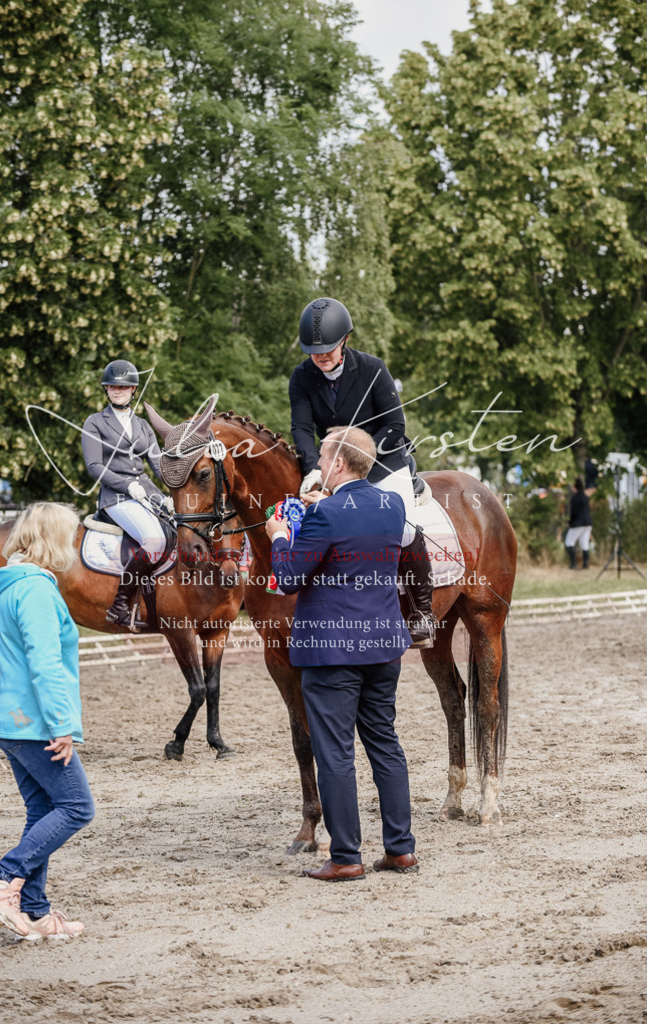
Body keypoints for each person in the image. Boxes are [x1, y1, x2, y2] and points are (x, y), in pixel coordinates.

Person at [266, 426, 418, 881]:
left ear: (336, 464)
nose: (317, 467)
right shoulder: (392, 505)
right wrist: (322, 509)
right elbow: (352, 528)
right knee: (385, 744)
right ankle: (400, 849)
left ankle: (346, 856)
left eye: (322, 460)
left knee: (334, 752)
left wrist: (278, 536)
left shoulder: (326, 514)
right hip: (383, 645)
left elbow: (290, 576)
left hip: (332, 649)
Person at [0, 503, 95, 940]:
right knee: (78, 807)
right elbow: (44, 664)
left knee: (43, 810)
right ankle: (4, 877)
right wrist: (61, 725)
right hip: (34, 722)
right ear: (53, 538)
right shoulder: (38, 589)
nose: (75, 544)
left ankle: (37, 911)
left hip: (8, 719)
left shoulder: (9, 583)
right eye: (72, 535)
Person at [289, 297, 434, 647]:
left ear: (345, 341)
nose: (320, 357)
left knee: (403, 528)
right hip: (330, 466)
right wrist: (312, 469)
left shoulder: (372, 368)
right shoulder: (301, 376)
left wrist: (356, 461)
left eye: (328, 349)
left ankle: (421, 611)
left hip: (384, 463)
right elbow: (301, 429)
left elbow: (395, 424)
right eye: (314, 351)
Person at [81, 359, 172, 628]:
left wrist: (176, 490)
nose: (117, 390)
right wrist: (127, 485)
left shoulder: (143, 426)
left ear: (134, 390)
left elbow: (159, 465)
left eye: (123, 386)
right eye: (112, 386)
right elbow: (94, 466)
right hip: (117, 497)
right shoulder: (95, 422)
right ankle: (120, 604)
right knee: (154, 541)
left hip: (149, 495)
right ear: (106, 390)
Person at [565, 476, 592, 569]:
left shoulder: (575, 498)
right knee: (584, 544)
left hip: (577, 523)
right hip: (587, 523)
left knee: (569, 542)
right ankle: (585, 564)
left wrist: (570, 522)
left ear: (575, 486)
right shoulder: (585, 497)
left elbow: (574, 512)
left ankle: (573, 564)